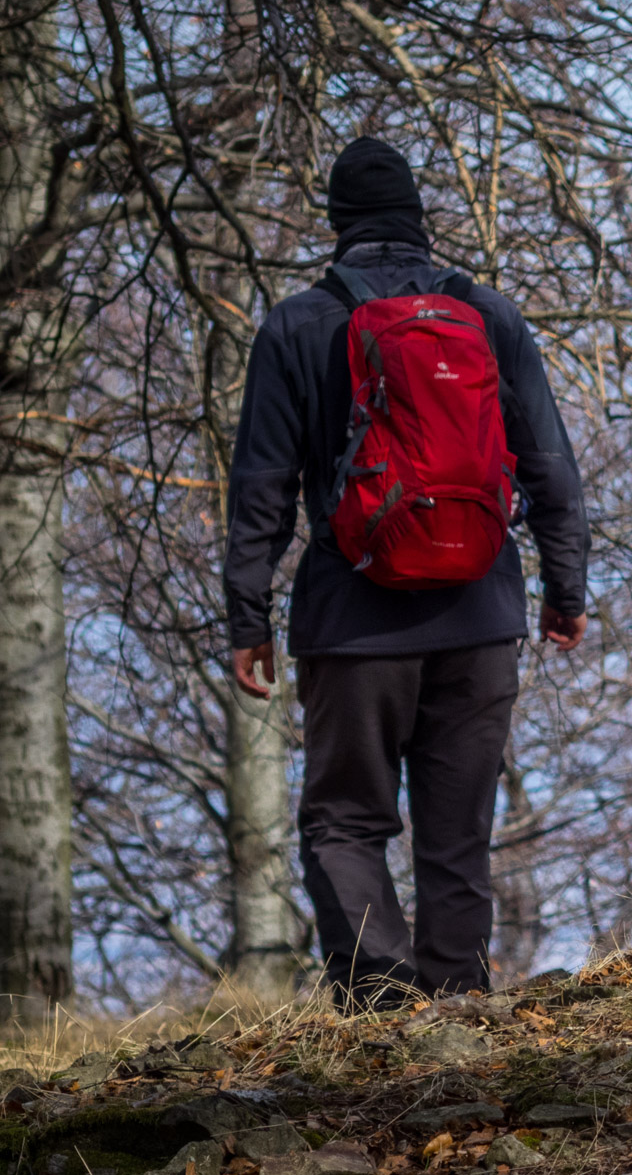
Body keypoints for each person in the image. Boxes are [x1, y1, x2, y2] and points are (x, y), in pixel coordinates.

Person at [222, 137, 589, 1008]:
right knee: (457, 829)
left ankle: (380, 1002)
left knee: (346, 819)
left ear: (338, 222)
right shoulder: (489, 315)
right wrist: (564, 594)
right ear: (419, 219)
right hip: (481, 613)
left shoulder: (300, 324)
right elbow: (550, 467)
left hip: (352, 623)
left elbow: (262, 490)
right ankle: (458, 1001)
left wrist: (247, 620)